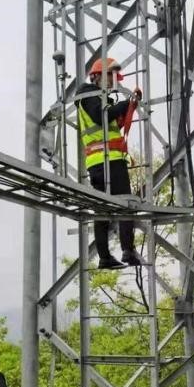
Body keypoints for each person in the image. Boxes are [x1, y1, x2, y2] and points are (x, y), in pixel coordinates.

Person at [76, 56, 144, 269]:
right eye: (110, 76)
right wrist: (125, 104)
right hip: (108, 161)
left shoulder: (98, 99)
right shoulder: (88, 93)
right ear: (96, 76)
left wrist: (126, 108)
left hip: (100, 161)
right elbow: (101, 117)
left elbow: (111, 121)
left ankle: (106, 256)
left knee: (102, 209)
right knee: (125, 204)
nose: (113, 81)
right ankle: (127, 250)